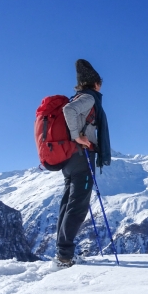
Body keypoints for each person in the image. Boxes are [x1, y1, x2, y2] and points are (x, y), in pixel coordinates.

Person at [55, 59, 112, 267]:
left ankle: (63, 252)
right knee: (78, 206)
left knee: (68, 204)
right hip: (81, 155)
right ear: (95, 83)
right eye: (100, 82)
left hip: (70, 158)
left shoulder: (80, 96)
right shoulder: (88, 98)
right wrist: (77, 136)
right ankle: (64, 256)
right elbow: (68, 110)